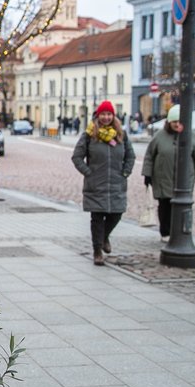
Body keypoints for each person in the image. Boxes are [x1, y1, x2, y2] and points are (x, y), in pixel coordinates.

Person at [72, 100, 136, 266]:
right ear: (98, 116)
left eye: (109, 114)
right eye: (103, 114)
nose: (106, 117)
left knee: (116, 214)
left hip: (116, 182)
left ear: (113, 116)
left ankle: (105, 236)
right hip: (96, 184)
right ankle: (97, 251)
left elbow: (130, 156)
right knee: (97, 218)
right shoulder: (89, 135)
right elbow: (77, 157)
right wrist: (88, 173)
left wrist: (125, 172)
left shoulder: (121, 134)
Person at [141, 104, 195, 243]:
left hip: (184, 180)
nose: (177, 124)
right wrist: (147, 174)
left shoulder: (192, 136)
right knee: (165, 207)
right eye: (174, 122)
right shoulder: (159, 136)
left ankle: (180, 232)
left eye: (180, 121)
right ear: (169, 122)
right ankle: (165, 232)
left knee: (182, 207)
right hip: (163, 178)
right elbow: (149, 156)